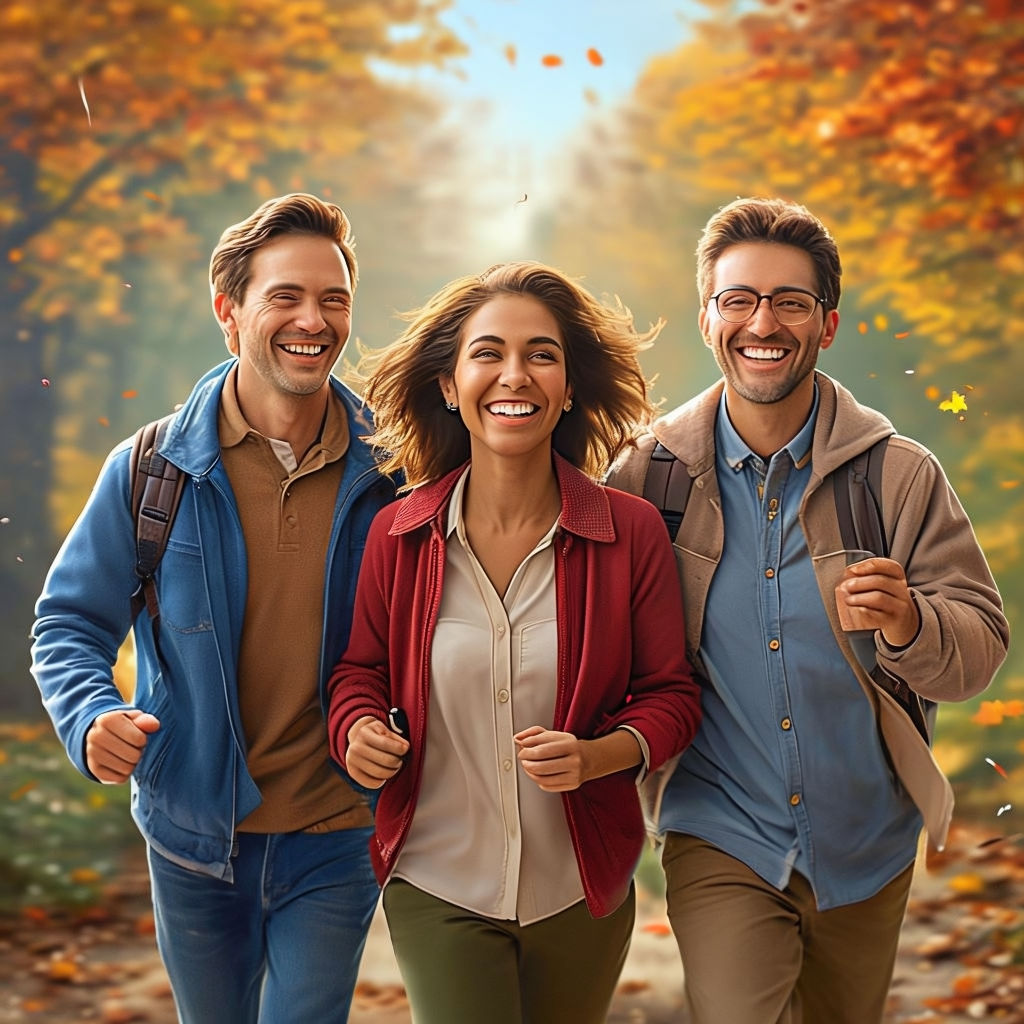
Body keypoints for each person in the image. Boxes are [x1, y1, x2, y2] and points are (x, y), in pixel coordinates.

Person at [606, 196, 1010, 1024]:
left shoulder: (897, 475)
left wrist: (910, 622)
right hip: (718, 827)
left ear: (827, 325)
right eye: (740, 299)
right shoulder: (649, 478)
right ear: (708, 318)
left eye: (791, 301)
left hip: (868, 839)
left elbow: (980, 646)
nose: (765, 321)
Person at [30, 193, 397, 1023]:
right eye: (287, 297)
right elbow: (69, 624)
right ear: (229, 312)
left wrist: (393, 725)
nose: (314, 319)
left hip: (338, 832)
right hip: (193, 836)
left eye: (333, 299)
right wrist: (90, 715)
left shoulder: (395, 474)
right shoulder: (152, 470)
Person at [325, 261, 702, 1024]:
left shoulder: (626, 532)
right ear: (448, 384)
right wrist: (355, 729)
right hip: (437, 881)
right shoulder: (399, 535)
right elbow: (357, 673)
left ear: (567, 388)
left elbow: (672, 696)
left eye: (541, 354)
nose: (514, 375)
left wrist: (600, 755)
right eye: (488, 352)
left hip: (581, 887)